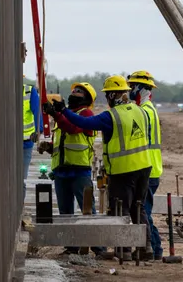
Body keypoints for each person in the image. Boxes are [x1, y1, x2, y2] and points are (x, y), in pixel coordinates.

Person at [57, 75, 153, 261]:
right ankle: (145, 248)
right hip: (144, 166)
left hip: (123, 169)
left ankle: (123, 251)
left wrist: (64, 112)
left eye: (108, 94)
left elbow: (85, 123)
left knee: (121, 210)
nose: (107, 98)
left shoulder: (112, 116)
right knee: (138, 208)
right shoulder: (140, 111)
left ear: (112, 95)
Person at [40, 82, 104, 256]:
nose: (74, 94)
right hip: (62, 170)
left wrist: (56, 114)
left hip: (79, 170)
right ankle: (71, 247)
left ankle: (99, 248)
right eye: (74, 91)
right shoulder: (65, 115)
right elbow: (63, 140)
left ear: (87, 98)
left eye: (79, 92)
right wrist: (49, 146)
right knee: (65, 212)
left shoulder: (86, 114)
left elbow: (73, 129)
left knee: (88, 210)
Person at [127, 70, 164, 260]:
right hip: (151, 168)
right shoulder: (148, 109)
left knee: (144, 212)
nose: (130, 90)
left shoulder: (145, 111)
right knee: (143, 211)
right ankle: (154, 248)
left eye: (132, 86)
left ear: (141, 88)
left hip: (147, 170)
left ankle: (154, 249)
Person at [22, 79, 43, 200]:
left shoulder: (29, 92)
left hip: (25, 142)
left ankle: (20, 207)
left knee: (21, 180)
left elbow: (37, 113)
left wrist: (38, 131)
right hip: (6, 143)